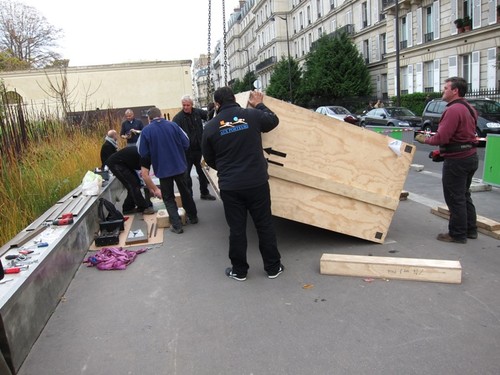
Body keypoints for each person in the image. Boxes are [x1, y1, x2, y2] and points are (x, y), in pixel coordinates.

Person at [202, 87, 284, 281]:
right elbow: (273, 120)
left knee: (237, 229)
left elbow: (209, 158)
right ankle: (273, 268)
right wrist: (259, 104)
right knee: (264, 225)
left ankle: (239, 271)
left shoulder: (211, 127)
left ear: (217, 104)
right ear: (234, 99)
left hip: (231, 186)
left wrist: (225, 167)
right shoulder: (252, 115)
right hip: (257, 182)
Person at [415, 77, 478, 243]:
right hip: (470, 157)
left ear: (455, 91)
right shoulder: (469, 108)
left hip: (457, 161)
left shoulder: (453, 110)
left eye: (445, 88)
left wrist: (424, 139)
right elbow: (462, 136)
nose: (443, 91)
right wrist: (442, 151)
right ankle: (471, 230)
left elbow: (442, 137)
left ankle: (457, 234)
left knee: (454, 197)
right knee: (464, 195)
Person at [139, 106, 198, 234]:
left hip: (163, 169)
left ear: (149, 118)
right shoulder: (173, 126)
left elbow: (143, 152)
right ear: (160, 115)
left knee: (168, 197)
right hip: (180, 166)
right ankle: (193, 217)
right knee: (186, 192)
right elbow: (186, 142)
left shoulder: (146, 131)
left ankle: (177, 225)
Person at [172, 95, 216, 201]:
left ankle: (204, 193)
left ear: (192, 105)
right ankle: (189, 196)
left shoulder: (197, 112)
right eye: (184, 105)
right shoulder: (178, 118)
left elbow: (209, 117)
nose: (186, 107)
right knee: (186, 175)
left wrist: (215, 109)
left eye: (188, 105)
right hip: (186, 152)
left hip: (199, 149)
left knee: (202, 172)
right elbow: (174, 134)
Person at [105, 146, 154, 215]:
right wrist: (152, 189)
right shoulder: (146, 156)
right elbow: (145, 176)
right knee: (133, 185)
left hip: (124, 163)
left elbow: (146, 175)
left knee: (136, 183)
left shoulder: (147, 154)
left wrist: (151, 188)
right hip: (116, 163)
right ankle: (143, 207)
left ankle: (128, 207)